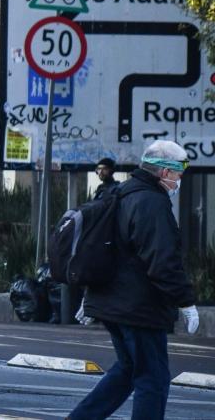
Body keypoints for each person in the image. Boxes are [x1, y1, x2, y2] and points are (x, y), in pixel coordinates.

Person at [68, 140, 200, 420]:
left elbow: (109, 251)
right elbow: (162, 261)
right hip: (139, 307)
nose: (180, 180)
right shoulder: (151, 202)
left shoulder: (122, 193)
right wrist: (186, 301)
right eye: (179, 172)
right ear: (165, 173)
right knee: (153, 379)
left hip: (115, 304)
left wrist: (91, 296)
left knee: (128, 369)